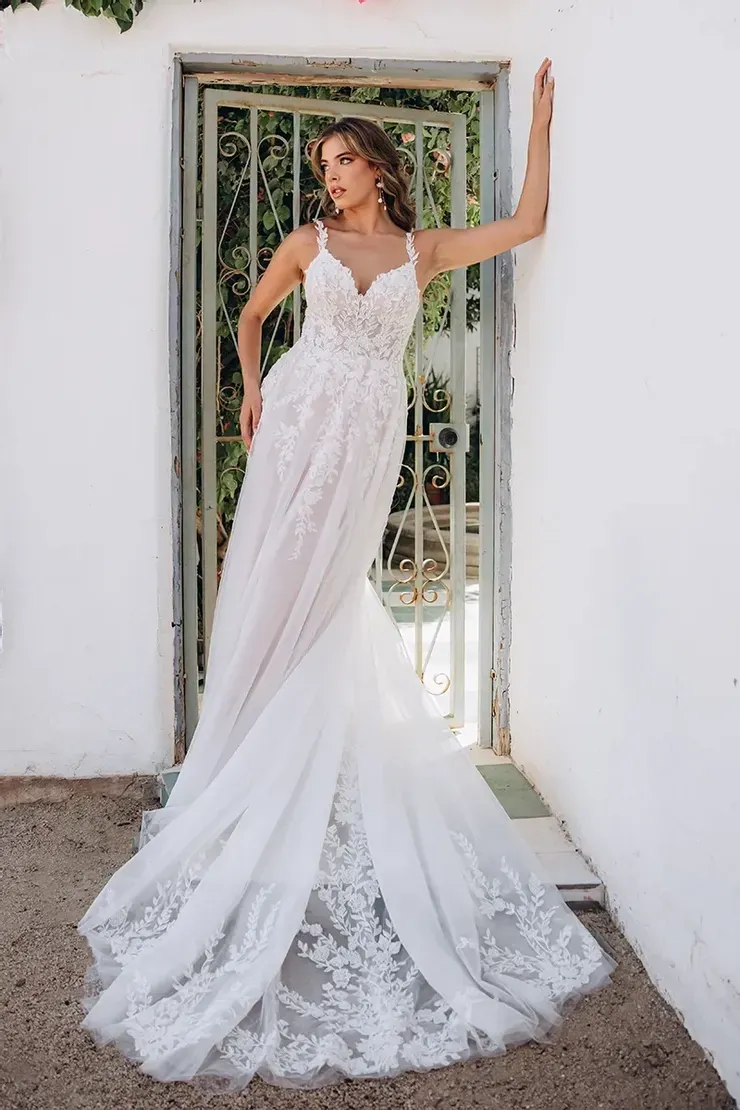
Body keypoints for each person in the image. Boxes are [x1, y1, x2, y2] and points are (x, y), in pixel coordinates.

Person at [78, 59, 614, 1090]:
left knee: (327, 601)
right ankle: (240, 771)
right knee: (273, 593)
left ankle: (301, 774)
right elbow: (249, 318)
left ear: (376, 167)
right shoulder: (305, 244)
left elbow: (527, 223)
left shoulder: (422, 251)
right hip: (298, 422)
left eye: (341, 161)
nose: (329, 176)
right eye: (321, 163)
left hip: (364, 436)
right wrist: (249, 393)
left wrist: (543, 118)